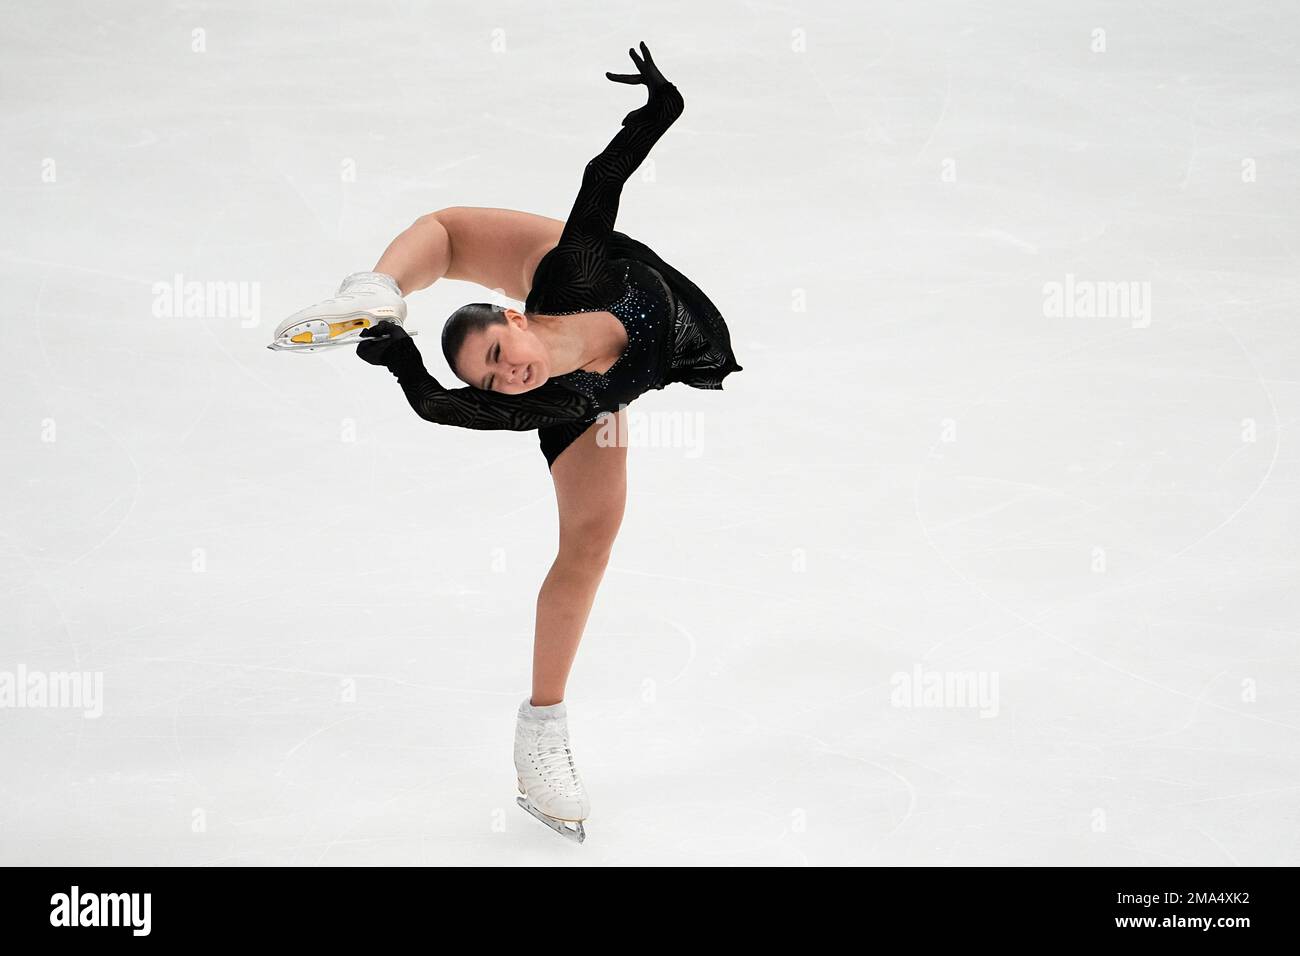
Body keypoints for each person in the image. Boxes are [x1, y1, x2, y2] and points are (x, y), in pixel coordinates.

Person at [271, 42, 742, 842]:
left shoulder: (572, 272)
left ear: (512, 315)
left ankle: (380, 286)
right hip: (597, 402)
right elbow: (440, 407)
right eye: (489, 380)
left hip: (605, 295)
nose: (504, 377)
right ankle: (541, 735)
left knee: (450, 232)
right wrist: (400, 359)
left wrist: (660, 110)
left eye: (496, 356)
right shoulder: (543, 401)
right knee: (589, 545)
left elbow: (604, 180)